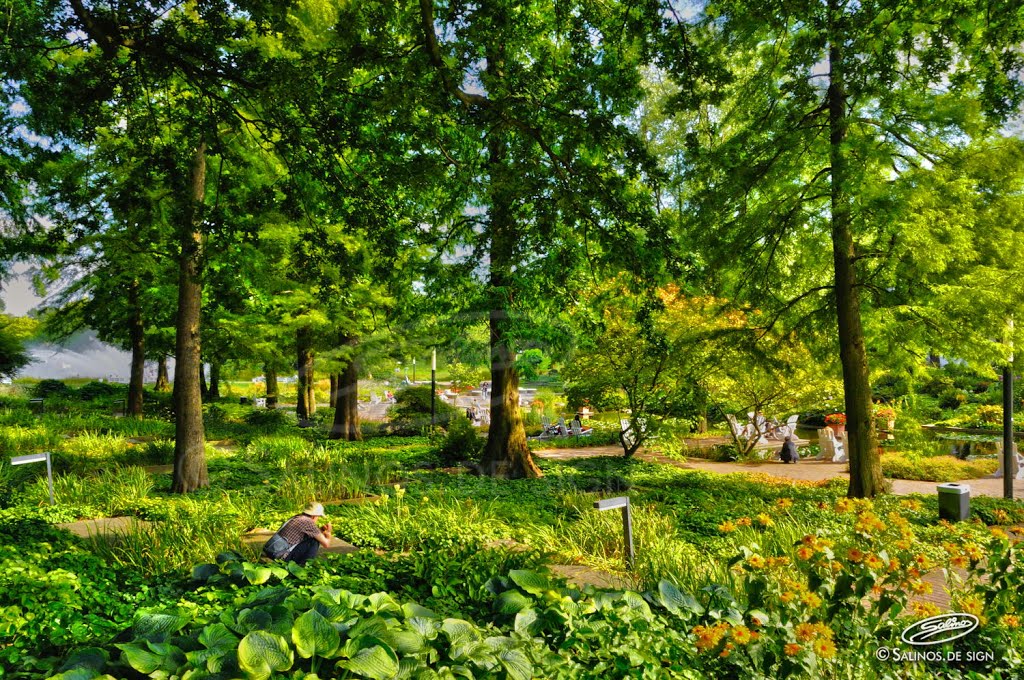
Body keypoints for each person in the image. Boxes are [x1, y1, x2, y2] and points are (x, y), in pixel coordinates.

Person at [263, 502, 333, 565]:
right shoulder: (308, 522)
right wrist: (328, 532)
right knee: (314, 541)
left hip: (273, 551)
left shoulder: (297, 517)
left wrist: (321, 530)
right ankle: (305, 566)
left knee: (312, 538)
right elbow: (326, 544)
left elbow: (310, 533)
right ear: (314, 516)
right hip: (282, 556)